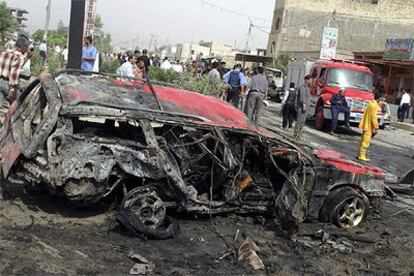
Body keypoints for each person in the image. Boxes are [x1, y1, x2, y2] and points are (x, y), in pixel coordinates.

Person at [358, 93, 381, 162]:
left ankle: (360, 154)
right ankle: (362, 156)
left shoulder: (370, 103)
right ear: (379, 98)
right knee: (366, 141)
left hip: (366, 125)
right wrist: (376, 127)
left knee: (363, 140)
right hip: (369, 126)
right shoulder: (374, 105)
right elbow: (374, 117)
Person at [293, 75, 313, 141]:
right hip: (302, 108)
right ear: (306, 80)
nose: (311, 82)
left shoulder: (307, 88)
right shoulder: (303, 87)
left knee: (302, 122)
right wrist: (304, 105)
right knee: (299, 122)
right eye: (310, 80)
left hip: (305, 108)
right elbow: (302, 98)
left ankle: (298, 135)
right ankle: (296, 135)